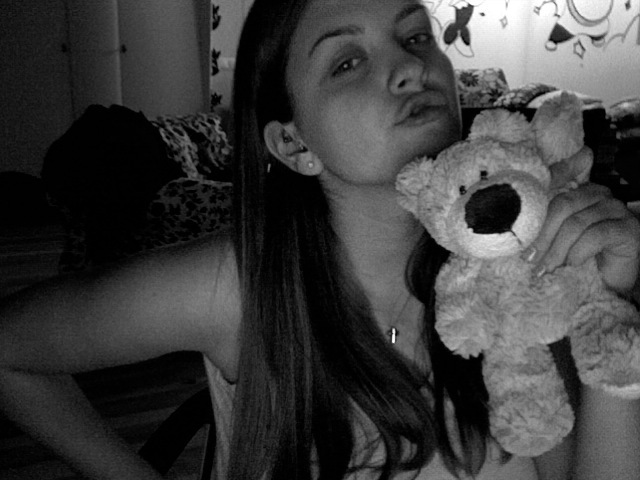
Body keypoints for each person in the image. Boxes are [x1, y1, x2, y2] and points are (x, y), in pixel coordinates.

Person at [1, 0, 640, 479]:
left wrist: (608, 315)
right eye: (347, 62)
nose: (411, 68)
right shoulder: (236, 289)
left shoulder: (524, 268)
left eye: (416, 35)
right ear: (293, 144)